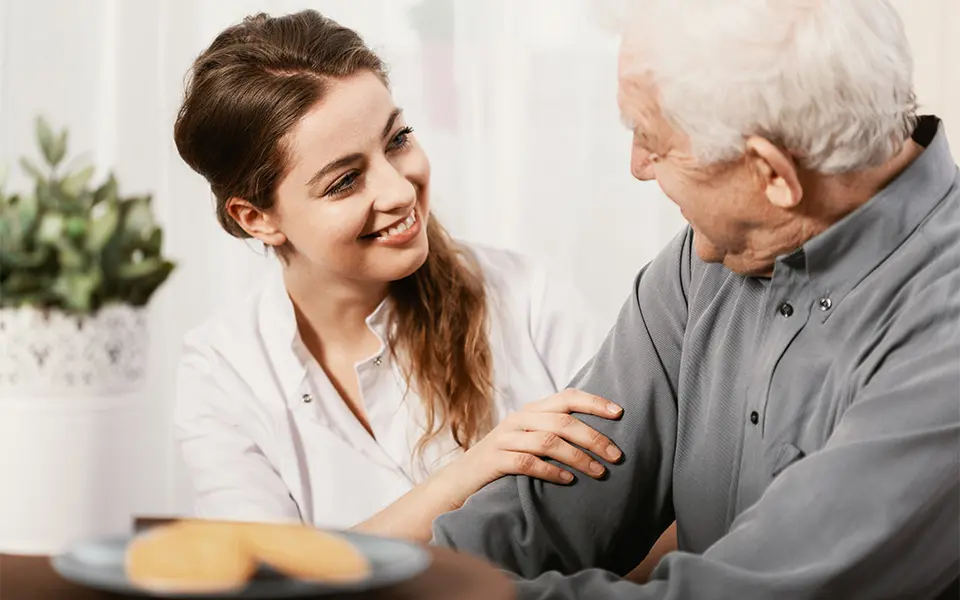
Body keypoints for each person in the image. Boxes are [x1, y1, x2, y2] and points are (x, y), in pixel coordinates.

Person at [431, 0, 960, 598]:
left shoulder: (944, 338)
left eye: (652, 140)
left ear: (772, 174)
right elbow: (550, 499)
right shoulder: (707, 261)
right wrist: (408, 578)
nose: (636, 167)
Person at [170, 10, 625, 543]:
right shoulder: (222, 371)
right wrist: (469, 475)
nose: (400, 191)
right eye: (344, 181)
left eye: (397, 139)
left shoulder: (528, 298)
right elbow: (270, 576)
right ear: (257, 218)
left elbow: (644, 514)